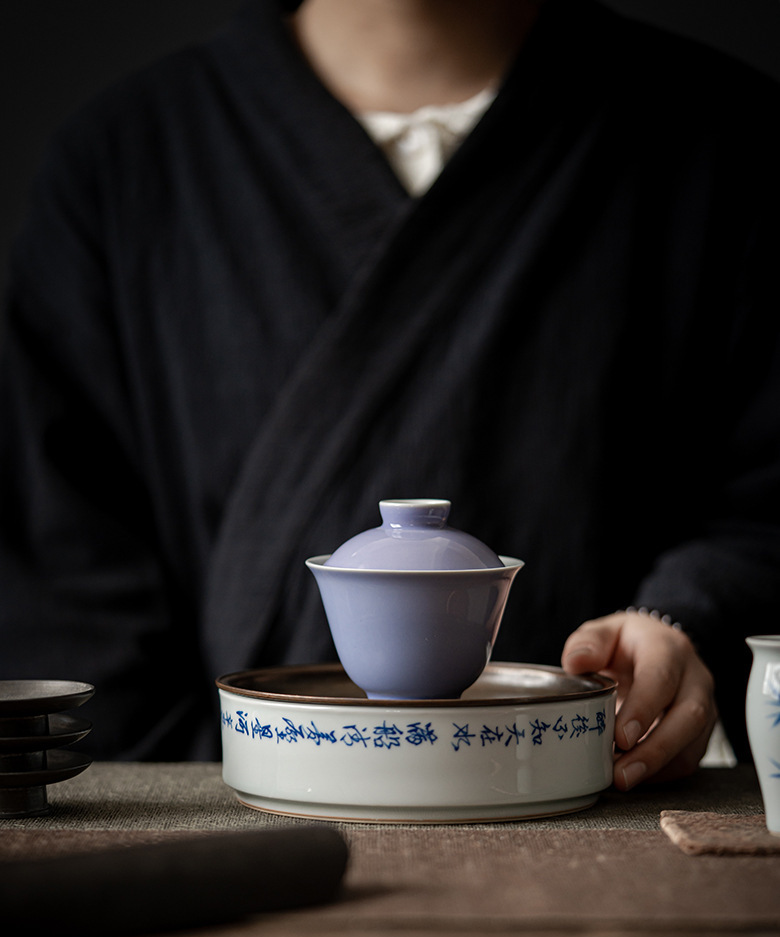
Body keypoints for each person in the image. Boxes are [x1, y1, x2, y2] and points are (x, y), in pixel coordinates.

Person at [1, 0, 778, 786]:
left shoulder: (734, 138)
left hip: (606, 823)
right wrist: (211, 811)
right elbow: (61, 584)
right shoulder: (120, 164)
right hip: (222, 844)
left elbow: (765, 507)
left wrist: (681, 626)